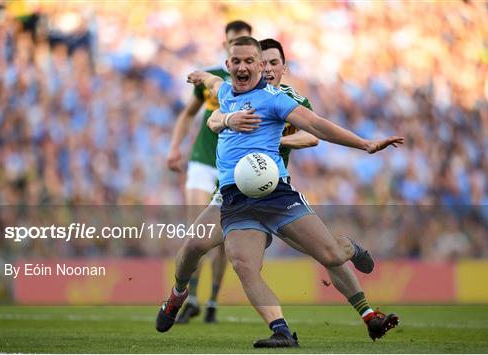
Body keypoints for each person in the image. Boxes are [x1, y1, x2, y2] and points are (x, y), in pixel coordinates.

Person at [156, 38, 400, 346]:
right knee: (229, 259)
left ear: (260, 66)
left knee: (332, 255)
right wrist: (199, 75)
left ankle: (349, 250)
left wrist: (364, 143)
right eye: (236, 62)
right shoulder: (225, 92)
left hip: (275, 195)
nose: (243, 67)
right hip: (233, 199)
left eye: (250, 62)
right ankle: (277, 330)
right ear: (229, 64)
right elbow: (212, 81)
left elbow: (316, 126)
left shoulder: (275, 99)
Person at [166, 20, 252, 324]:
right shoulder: (213, 77)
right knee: (198, 231)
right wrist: (175, 147)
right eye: (231, 43)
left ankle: (213, 299)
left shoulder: (256, 86)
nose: (235, 48)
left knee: (225, 239)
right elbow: (188, 114)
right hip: (203, 159)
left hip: (231, 168)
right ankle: (191, 298)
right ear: (226, 45)